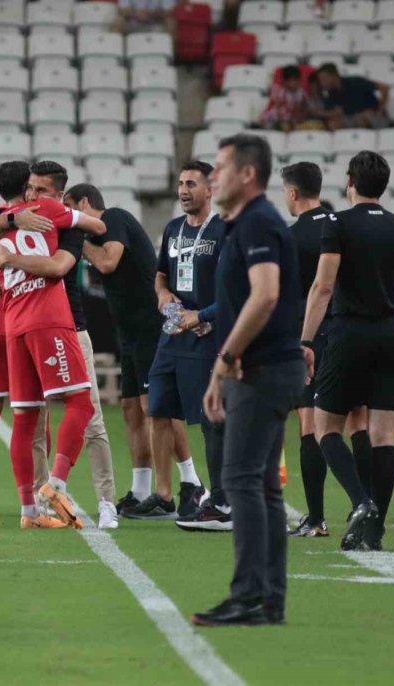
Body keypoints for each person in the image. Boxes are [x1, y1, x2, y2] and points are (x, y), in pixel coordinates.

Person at [190, 135, 305, 628]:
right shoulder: (245, 224)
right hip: (266, 368)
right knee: (262, 488)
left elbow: (264, 295)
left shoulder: (257, 223)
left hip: (259, 370)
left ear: (247, 175)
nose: (214, 176)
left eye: (220, 168)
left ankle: (249, 597)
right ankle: (268, 599)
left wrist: (224, 360)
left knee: (239, 481)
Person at [0, 161, 108, 530]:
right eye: (32, 187)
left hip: (11, 326)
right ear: (27, 187)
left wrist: (10, 226)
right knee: (79, 402)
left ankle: (28, 512)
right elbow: (98, 226)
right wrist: (68, 216)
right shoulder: (48, 211)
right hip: (48, 318)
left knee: (24, 419)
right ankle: (55, 483)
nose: (34, 193)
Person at [301, 150, 394, 553]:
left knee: (325, 428)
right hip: (389, 335)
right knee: (382, 434)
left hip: (347, 335)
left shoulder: (337, 225)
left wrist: (306, 341)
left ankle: (362, 503)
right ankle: (375, 532)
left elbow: (323, 288)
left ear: (351, 183)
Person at [124, 162, 225, 526]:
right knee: (160, 409)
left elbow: (234, 292)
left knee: (211, 419)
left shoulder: (223, 231)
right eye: (181, 183)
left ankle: (220, 497)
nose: (183, 190)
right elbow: (162, 277)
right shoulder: (172, 228)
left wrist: (201, 316)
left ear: (210, 189)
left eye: (191, 184)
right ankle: (165, 494)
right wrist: (164, 296)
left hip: (206, 337)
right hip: (171, 337)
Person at [280, 162, 372, 538]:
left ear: (292, 193)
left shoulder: (290, 236)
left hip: (312, 336)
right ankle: (371, 508)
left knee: (310, 424)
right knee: (358, 422)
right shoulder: (345, 226)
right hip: (353, 330)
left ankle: (317, 518)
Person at [66, 183, 167, 520]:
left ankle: (175, 489)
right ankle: (140, 490)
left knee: (153, 408)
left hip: (150, 325)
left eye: (71, 209)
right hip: (130, 332)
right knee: (130, 408)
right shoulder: (100, 234)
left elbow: (109, 262)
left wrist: (80, 245)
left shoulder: (115, 218)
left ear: (84, 202)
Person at [315, 63, 390, 131]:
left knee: (361, 119)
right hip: (351, 119)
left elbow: (384, 88)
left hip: (374, 117)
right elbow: (335, 113)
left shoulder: (355, 82)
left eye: (324, 79)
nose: (322, 83)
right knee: (333, 124)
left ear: (333, 76)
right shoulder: (330, 94)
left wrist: (380, 110)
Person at [259, 65, 313, 132]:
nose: (294, 83)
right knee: (267, 117)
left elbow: (302, 107)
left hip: (295, 115)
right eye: (291, 81)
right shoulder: (281, 92)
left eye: (296, 80)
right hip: (282, 115)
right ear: (285, 82)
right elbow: (277, 106)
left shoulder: (301, 93)